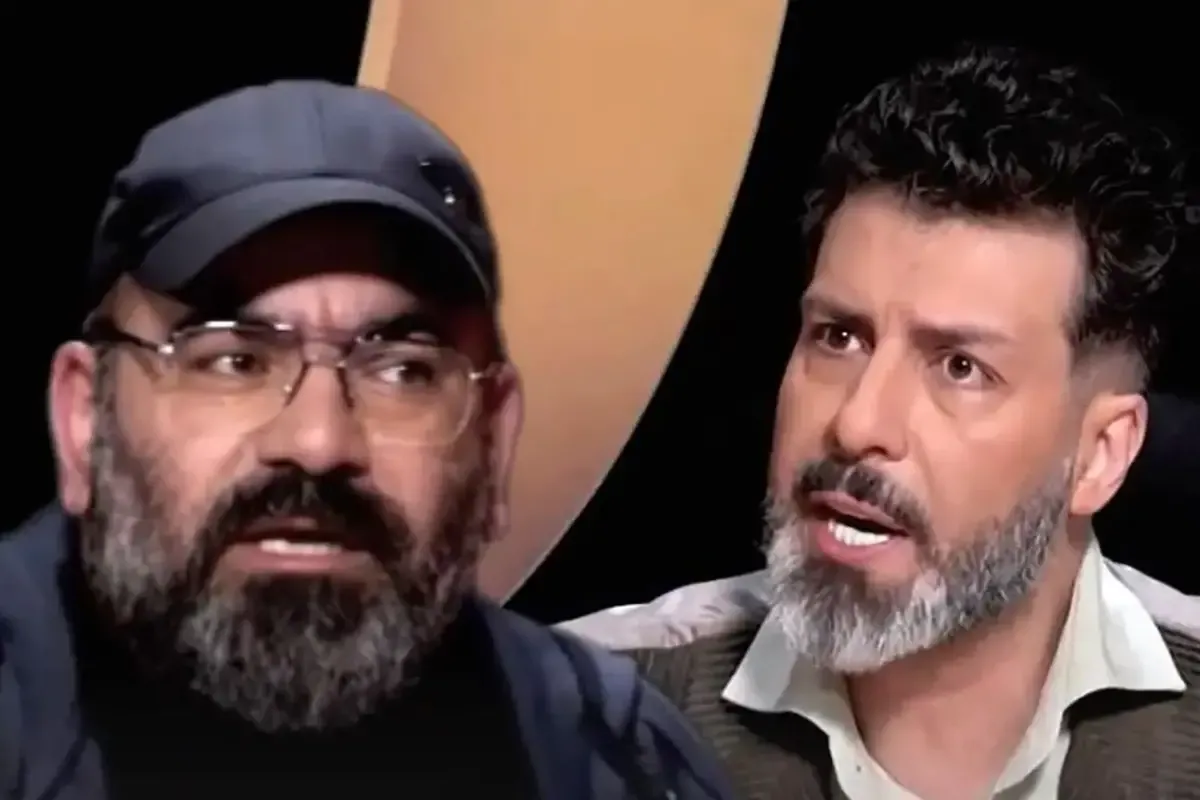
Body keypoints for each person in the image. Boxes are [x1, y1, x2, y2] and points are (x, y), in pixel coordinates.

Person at [0, 81, 736, 800]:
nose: (319, 441)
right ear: (83, 419)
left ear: (494, 440)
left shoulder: (607, 756)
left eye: (403, 372)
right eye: (233, 360)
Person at [562, 43, 1200, 799]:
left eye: (959, 367)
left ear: (1099, 455)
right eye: (839, 337)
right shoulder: (567, 718)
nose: (858, 422)